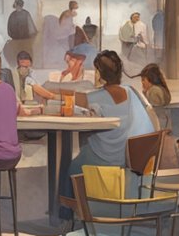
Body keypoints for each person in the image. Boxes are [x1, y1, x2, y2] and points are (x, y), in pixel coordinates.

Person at [58, 51, 155, 217]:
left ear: (99, 73)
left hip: (102, 155)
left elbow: (69, 98)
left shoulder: (96, 97)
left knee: (70, 168)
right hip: (126, 156)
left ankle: (67, 215)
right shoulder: (131, 91)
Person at [137, 62, 172, 132]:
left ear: (151, 79)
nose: (142, 82)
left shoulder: (154, 91)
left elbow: (154, 110)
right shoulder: (159, 89)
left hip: (158, 123)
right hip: (163, 122)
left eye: (143, 79)